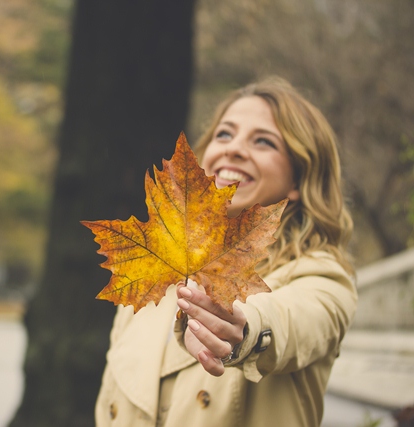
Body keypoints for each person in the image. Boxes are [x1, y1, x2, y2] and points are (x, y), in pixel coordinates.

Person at [94, 77, 357, 427]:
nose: (233, 149)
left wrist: (244, 329)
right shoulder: (151, 282)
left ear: (299, 178)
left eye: (263, 141)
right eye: (224, 134)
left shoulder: (321, 276)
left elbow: (295, 321)